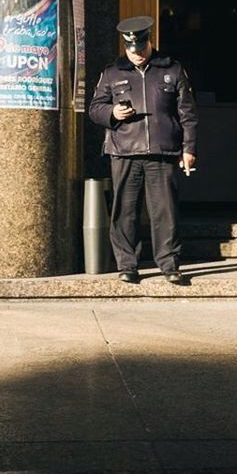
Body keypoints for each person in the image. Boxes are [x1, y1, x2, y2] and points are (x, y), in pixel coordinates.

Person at [89, 16, 198, 286]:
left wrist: (189, 149)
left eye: (140, 48)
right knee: (124, 211)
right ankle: (127, 265)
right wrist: (112, 112)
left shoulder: (171, 69)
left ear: (149, 42)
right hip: (124, 150)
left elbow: (187, 114)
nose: (136, 54)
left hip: (163, 151)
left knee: (165, 212)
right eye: (131, 50)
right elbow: (95, 108)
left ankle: (169, 264)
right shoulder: (112, 72)